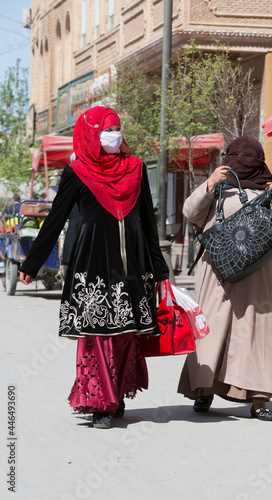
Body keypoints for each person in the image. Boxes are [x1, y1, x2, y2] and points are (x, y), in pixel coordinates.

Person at [19, 106, 169, 428]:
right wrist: (31, 263)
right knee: (97, 334)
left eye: (117, 129)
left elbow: (147, 222)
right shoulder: (77, 172)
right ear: (91, 134)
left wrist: (159, 269)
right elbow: (56, 218)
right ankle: (99, 402)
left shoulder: (136, 169)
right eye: (107, 130)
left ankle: (116, 392)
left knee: (126, 334)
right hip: (93, 263)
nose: (114, 136)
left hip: (132, 264)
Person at [177, 136, 272, 421]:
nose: (242, 160)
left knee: (257, 332)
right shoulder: (217, 186)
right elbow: (190, 213)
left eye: (249, 155)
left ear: (260, 160)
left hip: (260, 273)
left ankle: (259, 400)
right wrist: (208, 185)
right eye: (237, 154)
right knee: (212, 328)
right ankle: (202, 391)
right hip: (218, 271)